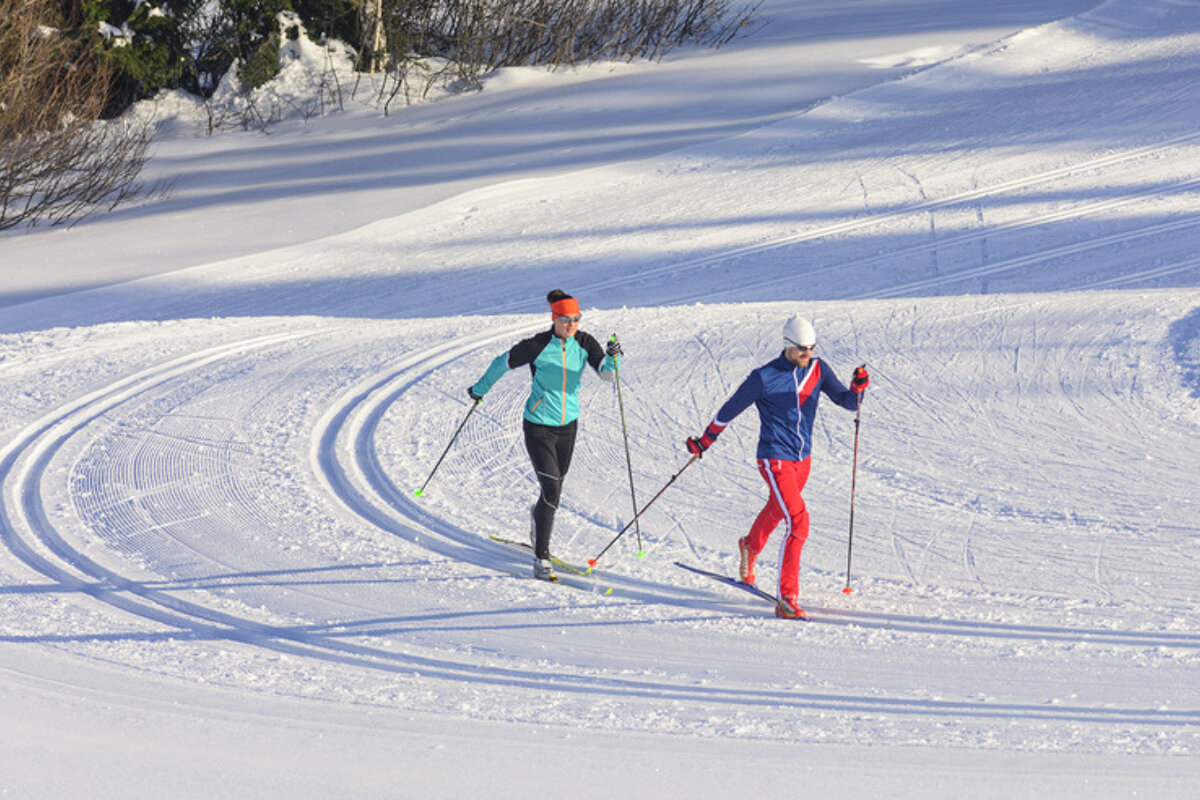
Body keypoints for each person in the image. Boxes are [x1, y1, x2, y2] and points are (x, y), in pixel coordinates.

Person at [685, 315, 868, 619]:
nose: (807, 354)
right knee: (798, 521)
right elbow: (729, 410)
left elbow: (848, 402)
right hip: (774, 458)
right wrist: (704, 442)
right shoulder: (764, 377)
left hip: (802, 460)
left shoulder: (819, 369)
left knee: (778, 507)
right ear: (787, 346)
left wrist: (858, 388)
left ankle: (750, 546)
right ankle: (787, 597)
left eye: (811, 348)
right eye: (802, 349)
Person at [470, 290, 622, 580]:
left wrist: (612, 358)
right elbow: (502, 362)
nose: (572, 325)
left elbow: (607, 375)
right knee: (551, 490)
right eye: (566, 320)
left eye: (576, 319)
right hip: (538, 425)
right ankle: (541, 558)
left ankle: (537, 518)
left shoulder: (585, 342)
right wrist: (479, 390)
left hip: (568, 427)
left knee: (553, 491)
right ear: (554, 318)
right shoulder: (537, 345)